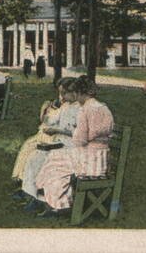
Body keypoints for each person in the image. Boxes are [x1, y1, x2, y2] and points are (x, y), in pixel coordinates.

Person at [33, 75, 114, 217]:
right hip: (100, 156)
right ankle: (54, 201)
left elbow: (80, 139)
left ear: (81, 93)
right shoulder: (102, 107)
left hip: (91, 161)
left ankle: (58, 205)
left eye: (77, 94)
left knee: (55, 165)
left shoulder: (86, 110)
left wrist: (74, 135)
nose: (77, 98)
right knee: (54, 158)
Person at [13, 78, 80, 210]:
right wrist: (47, 112)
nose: (62, 97)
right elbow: (51, 120)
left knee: (44, 161)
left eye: (64, 94)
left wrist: (57, 130)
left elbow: (79, 133)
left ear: (74, 93)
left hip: (71, 146)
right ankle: (32, 195)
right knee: (34, 158)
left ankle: (46, 201)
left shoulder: (81, 108)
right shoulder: (66, 106)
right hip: (59, 143)